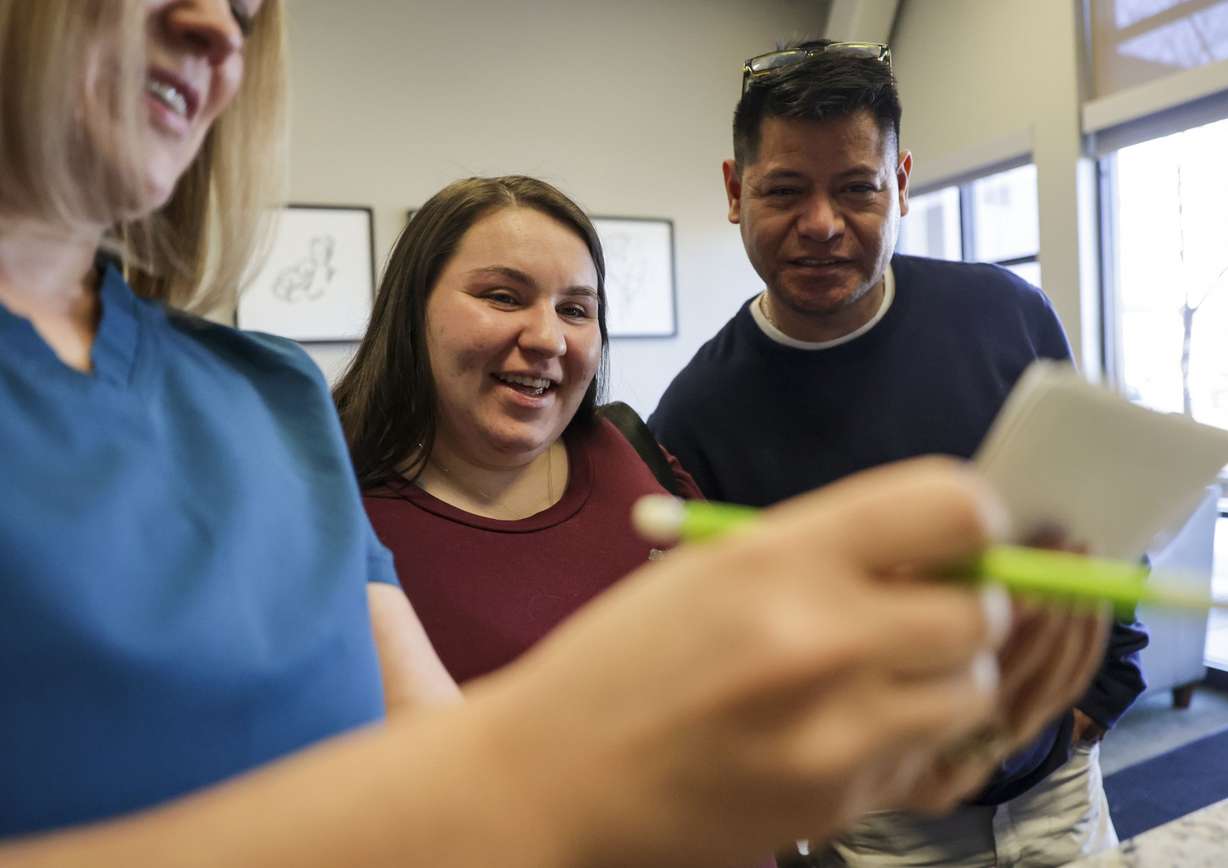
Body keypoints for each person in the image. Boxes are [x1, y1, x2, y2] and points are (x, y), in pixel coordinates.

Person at [0, 4, 1110, 864]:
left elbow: (429, 760)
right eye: (501, 295)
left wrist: (1053, 707)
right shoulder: (691, 415)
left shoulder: (269, 402)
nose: (212, 28)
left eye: (579, 308)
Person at [649, 40, 1148, 867]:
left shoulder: (1003, 314)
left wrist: (1104, 688)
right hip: (883, 816)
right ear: (736, 193)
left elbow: (1100, 500)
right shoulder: (699, 414)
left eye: (856, 188)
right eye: (784, 190)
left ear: (902, 182)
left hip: (1055, 782)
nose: (821, 224)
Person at [334, 175, 702, 684]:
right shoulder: (328, 514)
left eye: (574, 310)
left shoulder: (625, 450)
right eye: (504, 297)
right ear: (412, 311)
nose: (548, 339)